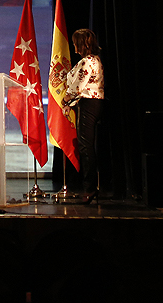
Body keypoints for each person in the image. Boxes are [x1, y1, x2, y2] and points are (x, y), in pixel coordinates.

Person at [64, 28, 106, 203]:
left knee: (85, 146)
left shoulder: (88, 62)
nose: (74, 47)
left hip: (89, 103)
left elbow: (79, 86)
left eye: (76, 43)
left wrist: (66, 99)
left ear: (82, 44)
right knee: (85, 145)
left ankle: (90, 188)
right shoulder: (92, 60)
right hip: (89, 102)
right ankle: (90, 187)